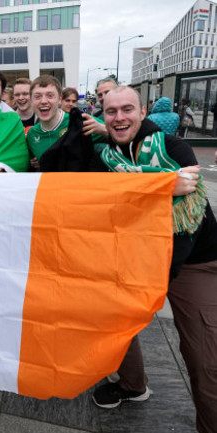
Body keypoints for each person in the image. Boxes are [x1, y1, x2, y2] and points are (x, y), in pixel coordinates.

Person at [91, 86, 217, 433]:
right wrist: (163, 186)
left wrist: (156, 280)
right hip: (138, 253)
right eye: (111, 111)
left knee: (205, 359)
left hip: (192, 262)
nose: (119, 118)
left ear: (142, 111)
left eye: (127, 109)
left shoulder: (172, 148)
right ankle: (132, 385)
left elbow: (190, 222)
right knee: (119, 322)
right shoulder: (105, 157)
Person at [26, 75, 107, 167]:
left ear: (59, 99)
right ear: (31, 100)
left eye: (50, 96)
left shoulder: (80, 122)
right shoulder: (32, 134)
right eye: (37, 96)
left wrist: (104, 130)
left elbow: (121, 137)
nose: (44, 101)